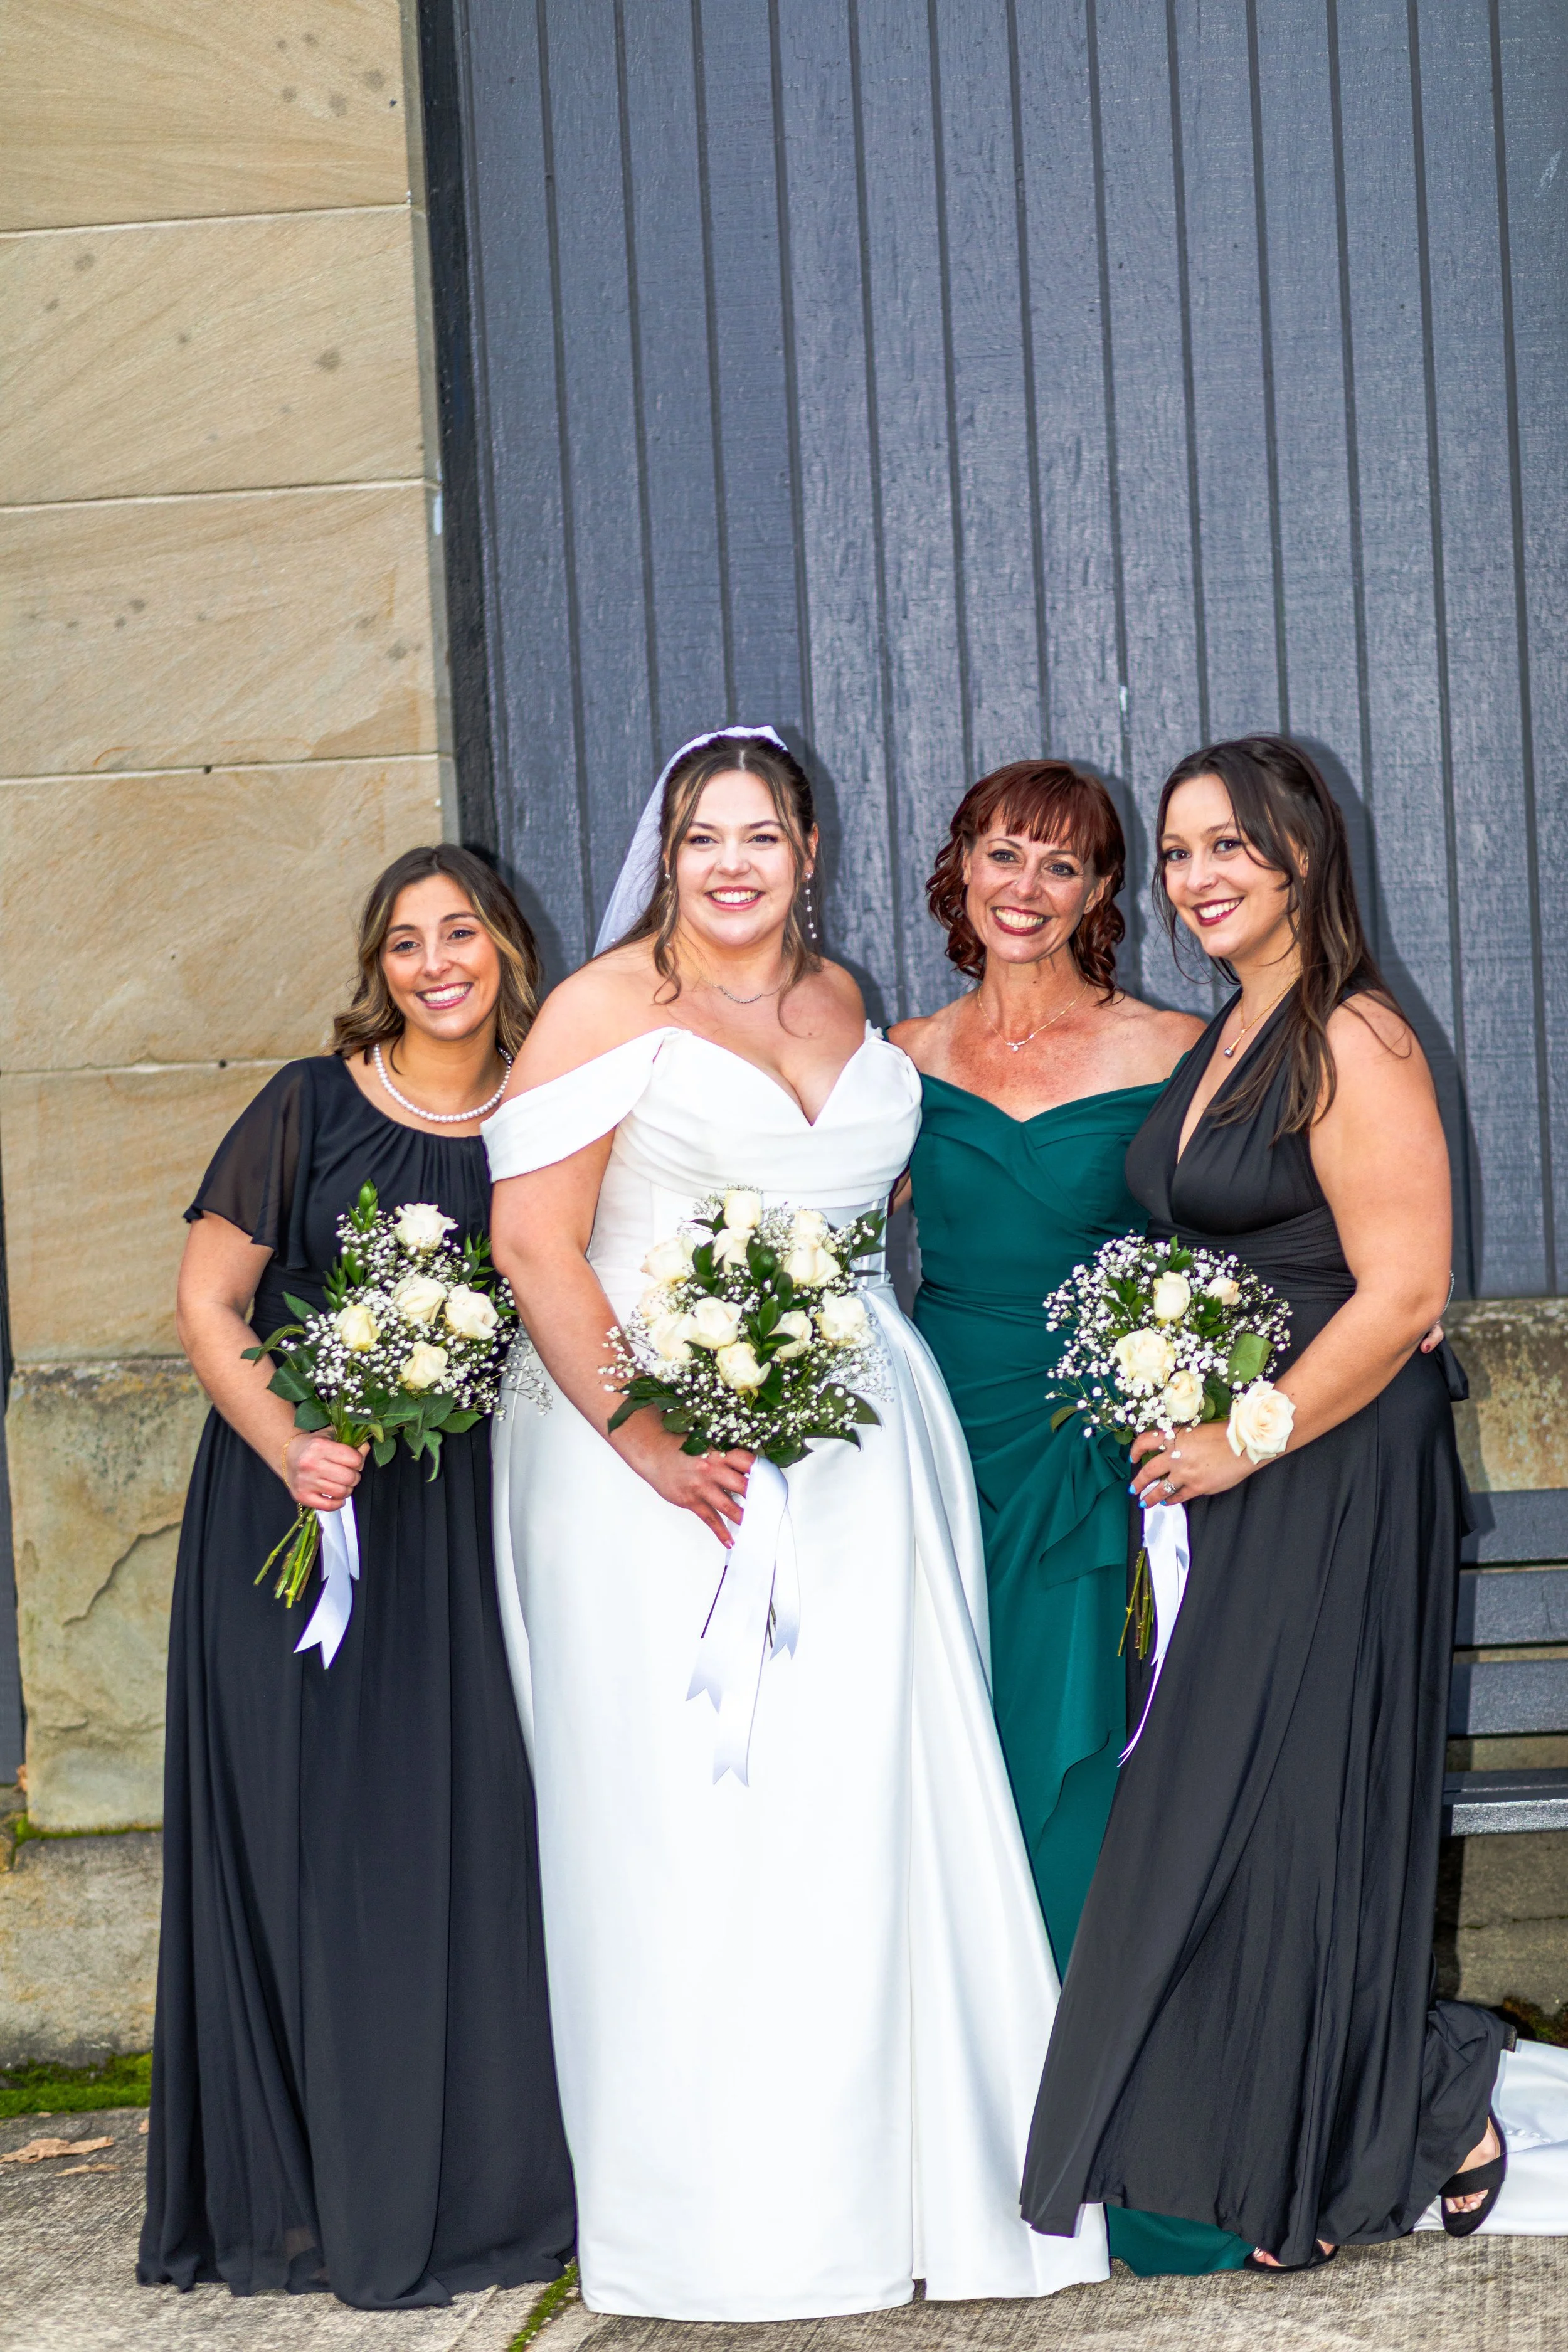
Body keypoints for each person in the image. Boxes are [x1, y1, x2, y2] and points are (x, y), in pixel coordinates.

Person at [482, 727, 1108, 2321]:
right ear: (667, 855)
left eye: (763, 833)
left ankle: (905, 2194)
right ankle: (725, 2222)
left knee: (861, 1816)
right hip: (650, 1474)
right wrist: (651, 1439)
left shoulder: (851, 1011)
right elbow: (537, 1247)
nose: (733, 862)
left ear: (811, 853)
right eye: (702, 836)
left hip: (860, 1457)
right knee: (694, 1823)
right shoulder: (605, 1008)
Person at [1020, 737, 1526, 2267]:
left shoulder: (1350, 1034)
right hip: (1239, 1461)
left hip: (1330, 1465)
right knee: (1237, 1819)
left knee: (1295, 1810)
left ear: (1304, 852)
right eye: (1177, 853)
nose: (1197, 877)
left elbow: (1403, 1290)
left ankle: (1418, 2101)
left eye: (1229, 845)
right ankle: (1300, 2145)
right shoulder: (1226, 1032)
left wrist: (1243, 1433)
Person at [140, 846, 575, 2309]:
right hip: (304, 1519)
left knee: (472, 1842)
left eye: (460, 933)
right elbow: (209, 1300)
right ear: (376, 969)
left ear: (509, 949)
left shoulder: (557, 1117)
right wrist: (291, 1441)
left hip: (473, 1522)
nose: (434, 962)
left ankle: (484, 2185)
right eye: (403, 942)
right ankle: (317, 2197)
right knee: (321, 1851)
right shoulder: (310, 1106)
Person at [891, 761, 1248, 2279]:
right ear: (956, 872)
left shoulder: (1176, 1045)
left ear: (1103, 895)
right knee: (934, 1782)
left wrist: (1366, 1322)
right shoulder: (891, 1058)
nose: (1023, 888)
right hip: (923, 1452)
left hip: (1095, 1458)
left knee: (1081, 1791)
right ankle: (965, 2143)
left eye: (1061, 866)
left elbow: (1261, 1216)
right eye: (1000, 855)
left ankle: (1122, 2144)